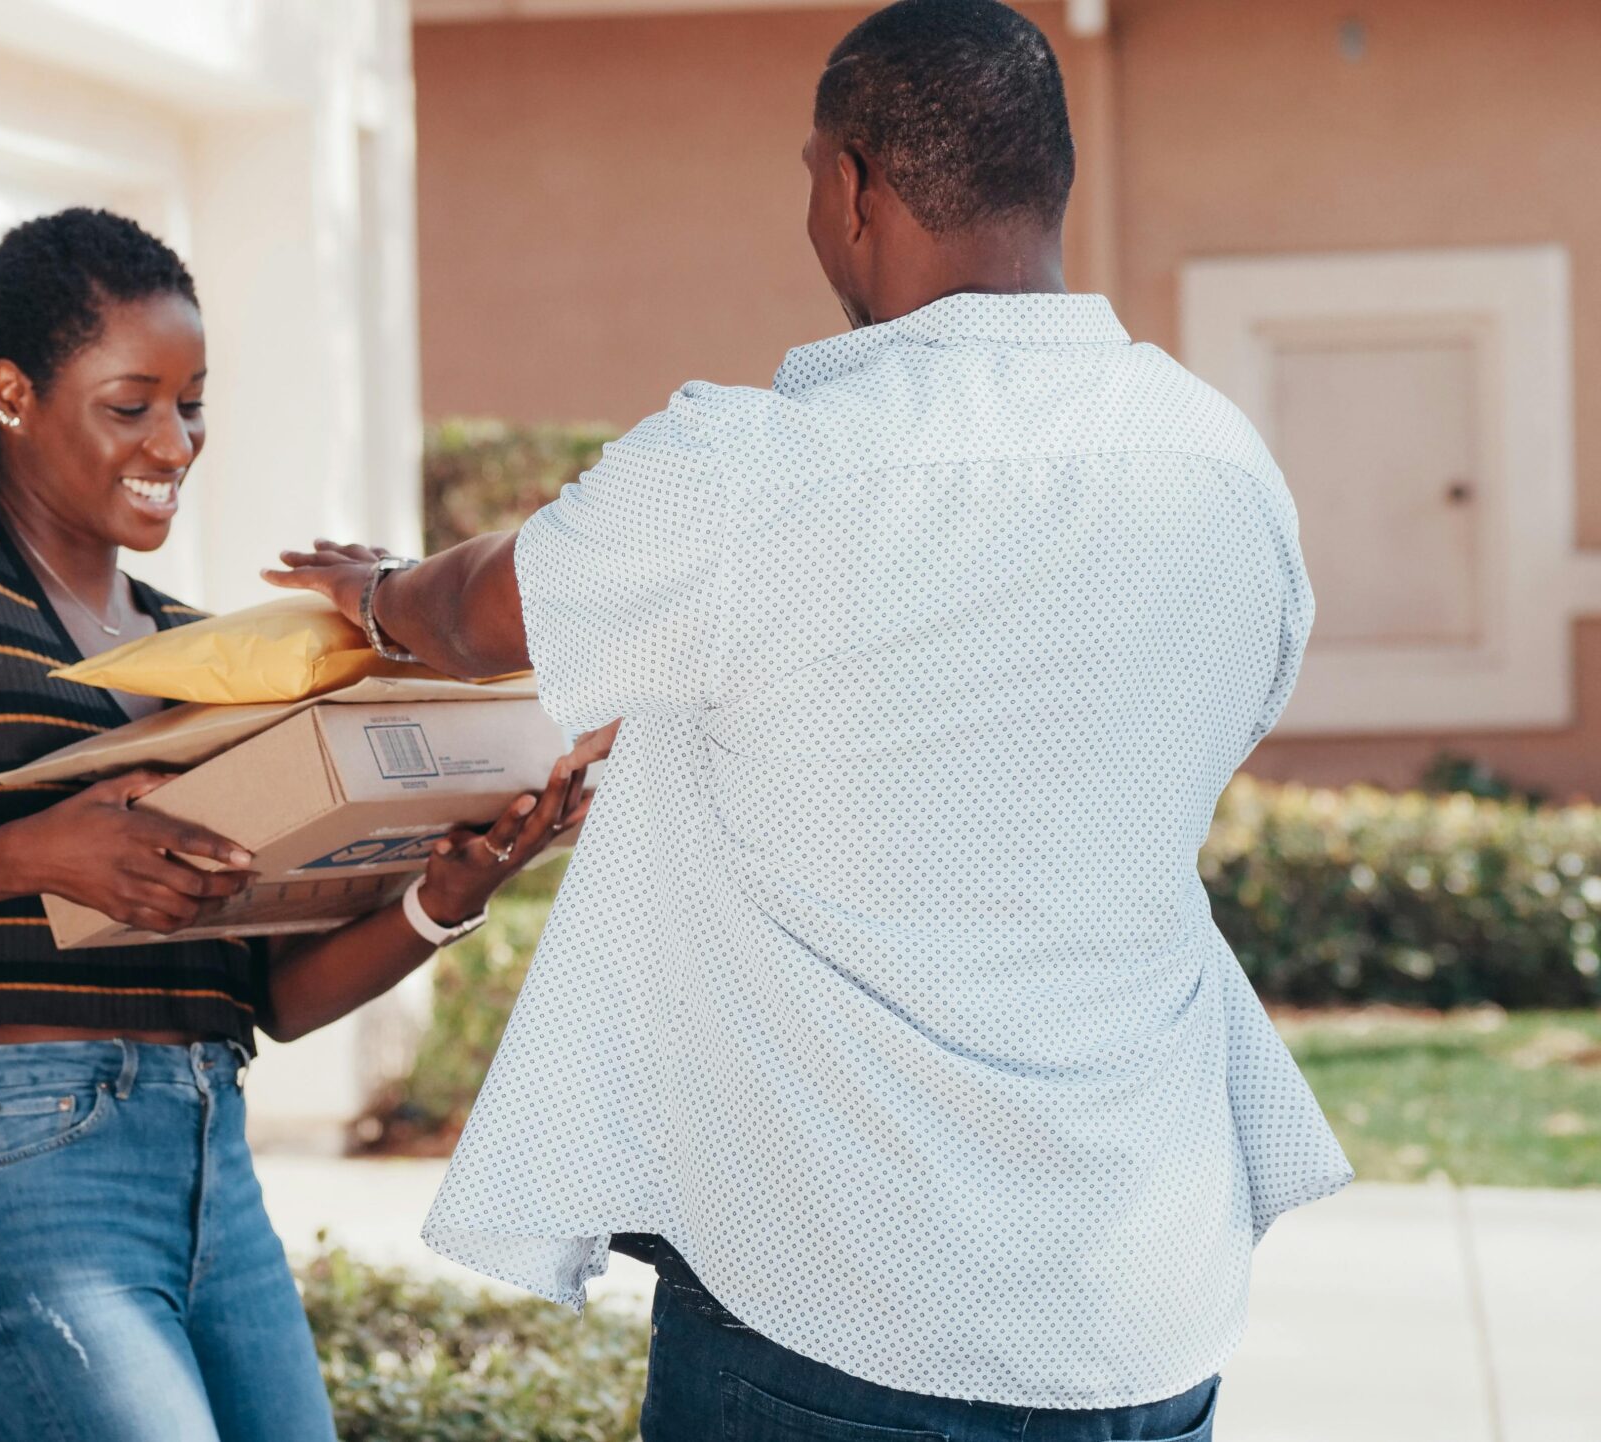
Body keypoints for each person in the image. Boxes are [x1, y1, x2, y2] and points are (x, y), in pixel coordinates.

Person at [264, 2, 1352, 1438]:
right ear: (1050, 183)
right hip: (1140, 1301)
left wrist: (381, 590)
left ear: (853, 187)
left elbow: (483, 615)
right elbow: (1221, 722)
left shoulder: (754, 474)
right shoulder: (1227, 467)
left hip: (838, 1298)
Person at [0, 207, 587, 1442]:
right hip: (15, 1155)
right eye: (131, 403)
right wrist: (34, 848)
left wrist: (442, 896)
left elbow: (267, 997)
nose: (173, 442)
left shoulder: (203, 653)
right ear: (13, 394)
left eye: (192, 403)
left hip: (208, 1160)